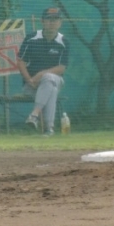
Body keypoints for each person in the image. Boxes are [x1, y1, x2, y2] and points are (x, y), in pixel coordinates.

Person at [17, 7, 69, 137]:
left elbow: (62, 68)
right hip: (31, 85)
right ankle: (49, 129)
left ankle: (34, 114)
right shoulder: (31, 38)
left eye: (55, 19)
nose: (52, 22)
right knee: (51, 89)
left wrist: (42, 74)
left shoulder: (64, 42)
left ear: (60, 22)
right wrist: (29, 80)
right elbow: (21, 61)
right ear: (42, 21)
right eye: (49, 19)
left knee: (49, 78)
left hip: (57, 80)